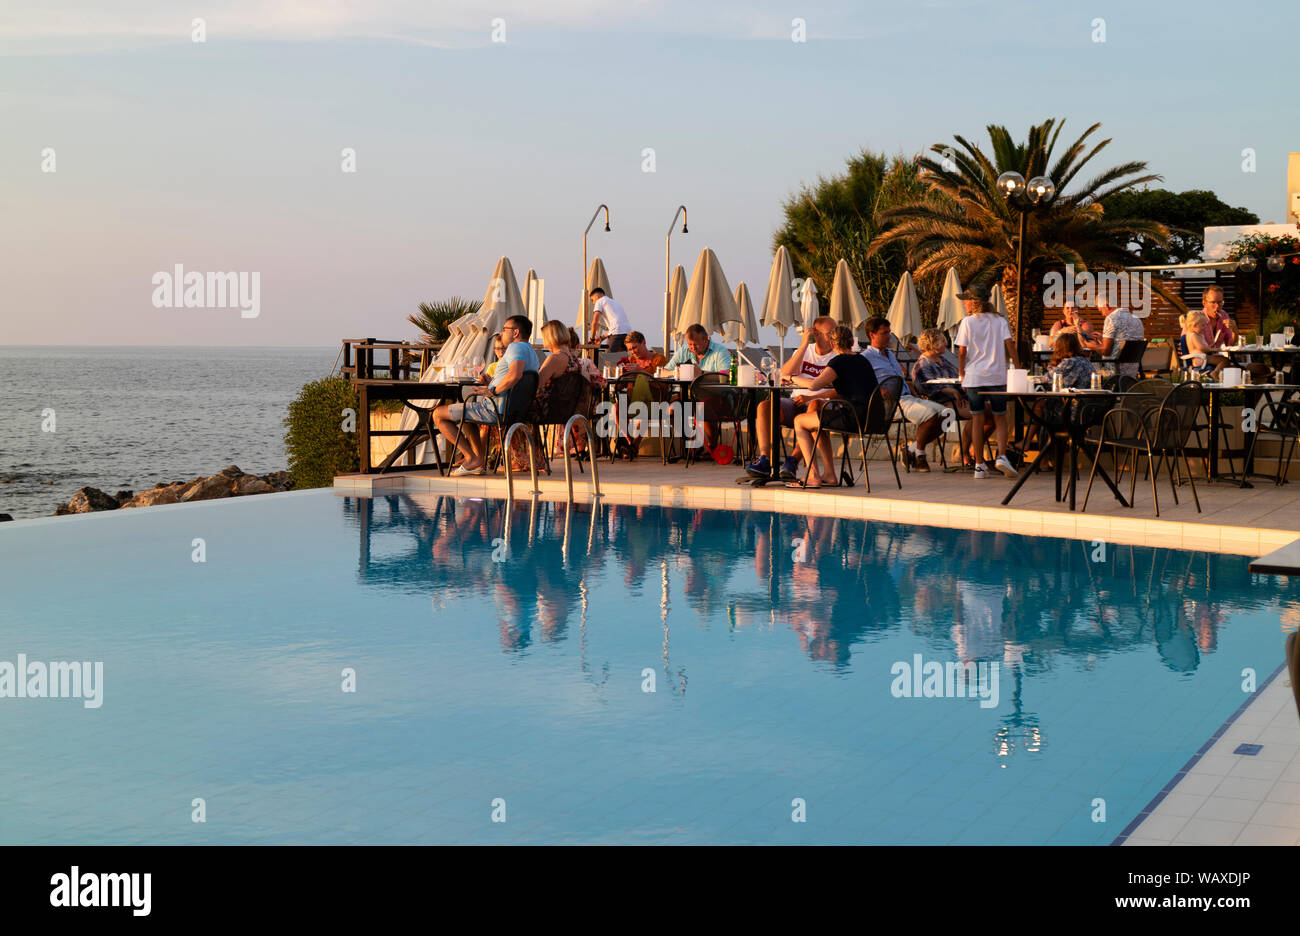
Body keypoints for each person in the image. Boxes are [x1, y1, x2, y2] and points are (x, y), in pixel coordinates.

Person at [433, 315, 538, 475]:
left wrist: (493, 391)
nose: (501, 333)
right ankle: (478, 460)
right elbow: (516, 380)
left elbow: (515, 375)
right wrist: (490, 383)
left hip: (495, 410)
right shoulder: (532, 352)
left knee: (438, 414)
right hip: (515, 411)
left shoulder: (515, 348)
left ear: (515, 332)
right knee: (465, 412)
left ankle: (471, 457)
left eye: (504, 329)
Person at [746, 315, 838, 479]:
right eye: (830, 333)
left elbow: (840, 390)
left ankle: (793, 460)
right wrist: (803, 345)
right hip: (795, 402)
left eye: (835, 332)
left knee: (814, 406)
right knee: (765, 406)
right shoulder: (804, 351)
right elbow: (785, 374)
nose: (834, 336)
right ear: (815, 334)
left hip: (821, 405)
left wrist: (809, 398)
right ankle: (765, 459)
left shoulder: (837, 356)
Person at [788, 326, 878, 488]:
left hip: (853, 417)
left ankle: (813, 476)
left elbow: (814, 385)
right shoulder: (862, 360)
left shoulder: (838, 362)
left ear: (831, 343)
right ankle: (829, 475)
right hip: (873, 417)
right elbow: (847, 388)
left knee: (800, 421)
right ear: (852, 342)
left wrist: (791, 378)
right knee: (818, 420)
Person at [862, 317, 945, 472]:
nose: (889, 336)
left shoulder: (890, 354)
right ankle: (920, 455)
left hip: (907, 397)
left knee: (948, 415)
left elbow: (897, 376)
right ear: (872, 335)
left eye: (889, 332)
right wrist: (878, 389)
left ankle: (911, 450)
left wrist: (909, 385)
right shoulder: (865, 358)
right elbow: (862, 384)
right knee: (931, 415)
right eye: (884, 333)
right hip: (891, 403)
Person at [953, 286, 1019, 480]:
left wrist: (962, 373)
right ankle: (1002, 456)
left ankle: (979, 464)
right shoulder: (1000, 321)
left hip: (974, 377)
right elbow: (1010, 346)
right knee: (1000, 418)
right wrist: (1019, 367)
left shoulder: (967, 322)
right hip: (997, 376)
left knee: (977, 419)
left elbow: (962, 352)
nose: (964, 303)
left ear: (974, 302)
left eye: (966, 300)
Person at [913, 327, 974, 467]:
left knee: (989, 412)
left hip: (959, 399)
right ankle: (966, 454)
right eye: (942, 340)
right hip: (941, 402)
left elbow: (958, 379)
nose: (946, 343)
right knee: (979, 413)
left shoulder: (943, 361)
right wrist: (953, 392)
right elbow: (927, 387)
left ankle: (970, 452)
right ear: (932, 343)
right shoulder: (923, 364)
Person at [611, 331, 666, 458]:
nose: (633, 352)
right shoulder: (630, 361)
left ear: (644, 342)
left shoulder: (658, 359)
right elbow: (621, 386)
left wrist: (640, 371)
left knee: (645, 409)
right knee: (617, 408)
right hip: (633, 400)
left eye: (635, 347)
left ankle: (634, 445)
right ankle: (630, 442)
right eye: (630, 349)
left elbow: (663, 383)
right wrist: (620, 377)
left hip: (655, 399)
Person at [1096, 298, 1144, 379]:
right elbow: (1123, 341)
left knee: (1085, 365)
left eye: (1101, 311)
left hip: (1114, 370)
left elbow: (1105, 351)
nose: (1102, 314)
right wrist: (1103, 339)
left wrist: (1089, 344)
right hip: (1132, 372)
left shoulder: (1111, 318)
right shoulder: (1136, 319)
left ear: (1106, 306)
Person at [665, 323, 732, 373]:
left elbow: (727, 374)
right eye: (690, 344)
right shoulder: (684, 350)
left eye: (696, 344)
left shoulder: (720, 351)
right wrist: (678, 373)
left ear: (706, 340)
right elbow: (664, 371)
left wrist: (701, 373)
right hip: (685, 390)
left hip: (711, 391)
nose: (693, 348)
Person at [587, 287, 631, 353]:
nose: (593, 303)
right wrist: (602, 338)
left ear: (597, 296)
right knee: (622, 359)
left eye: (592, 300)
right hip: (627, 332)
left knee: (608, 359)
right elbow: (616, 326)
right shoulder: (615, 303)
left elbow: (595, 322)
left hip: (616, 334)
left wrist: (592, 339)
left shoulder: (599, 301)